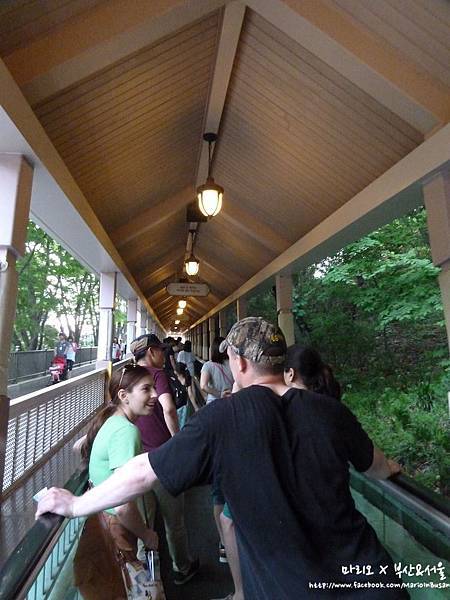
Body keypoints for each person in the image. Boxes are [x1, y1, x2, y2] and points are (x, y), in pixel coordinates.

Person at [37, 318, 406, 600]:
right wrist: (392, 469)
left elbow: (143, 473)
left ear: (239, 363)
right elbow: (375, 465)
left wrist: (76, 505)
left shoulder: (222, 418)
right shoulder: (329, 409)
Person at [79, 364, 158, 598]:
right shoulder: (126, 432)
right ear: (124, 396)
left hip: (100, 518)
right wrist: (147, 535)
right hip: (117, 527)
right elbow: (123, 505)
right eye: (146, 389)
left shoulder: (110, 420)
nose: (155, 394)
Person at [131, 334, 199, 586]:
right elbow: (169, 408)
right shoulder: (156, 375)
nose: (165, 354)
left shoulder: (127, 378)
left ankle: (148, 579)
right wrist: (179, 444)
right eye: (161, 350)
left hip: (137, 461)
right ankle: (182, 568)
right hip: (162, 458)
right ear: (151, 352)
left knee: (145, 525)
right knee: (174, 522)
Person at [200, 337, 234, 403]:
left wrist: (220, 394)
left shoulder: (208, 365)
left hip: (214, 401)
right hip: (230, 399)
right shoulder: (233, 363)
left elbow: (203, 386)